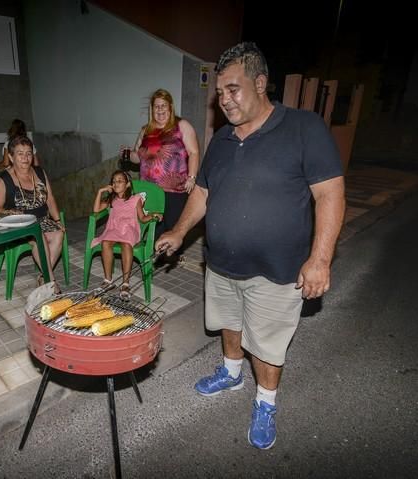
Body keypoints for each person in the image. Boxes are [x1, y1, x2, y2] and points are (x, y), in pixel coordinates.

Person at [155, 42, 345, 450]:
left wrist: (320, 258)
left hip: (276, 270)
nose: (224, 100)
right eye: (219, 93)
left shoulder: (303, 128)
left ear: (260, 84)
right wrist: (179, 232)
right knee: (229, 320)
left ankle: (266, 401)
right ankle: (230, 372)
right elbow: (203, 192)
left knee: (267, 343)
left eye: (233, 90)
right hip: (222, 264)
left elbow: (330, 193)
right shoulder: (222, 139)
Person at [122, 89, 200, 265]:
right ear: (152, 109)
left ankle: (174, 255)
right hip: (149, 189)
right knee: (153, 226)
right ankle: (152, 256)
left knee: (173, 226)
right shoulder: (145, 130)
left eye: (163, 105)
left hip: (174, 188)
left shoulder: (182, 126)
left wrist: (192, 177)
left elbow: (194, 152)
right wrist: (127, 154)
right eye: (156, 106)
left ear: (170, 107)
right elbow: (137, 157)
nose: (160, 110)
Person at [0, 136, 62, 292]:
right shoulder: (4, 180)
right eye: (20, 153)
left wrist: (57, 220)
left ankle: (44, 277)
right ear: (11, 157)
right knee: (40, 238)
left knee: (57, 234)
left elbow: (50, 199)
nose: (25, 157)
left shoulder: (40, 172)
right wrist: (9, 211)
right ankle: (51, 283)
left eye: (29, 153)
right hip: (20, 224)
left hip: (43, 219)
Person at [91, 170, 163, 300]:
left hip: (129, 229)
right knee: (105, 243)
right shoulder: (112, 200)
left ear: (128, 184)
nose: (116, 183)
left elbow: (142, 217)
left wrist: (153, 215)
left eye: (119, 181)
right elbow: (96, 210)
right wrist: (100, 192)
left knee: (126, 244)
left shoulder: (136, 199)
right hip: (114, 228)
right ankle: (108, 281)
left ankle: (125, 283)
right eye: (113, 181)